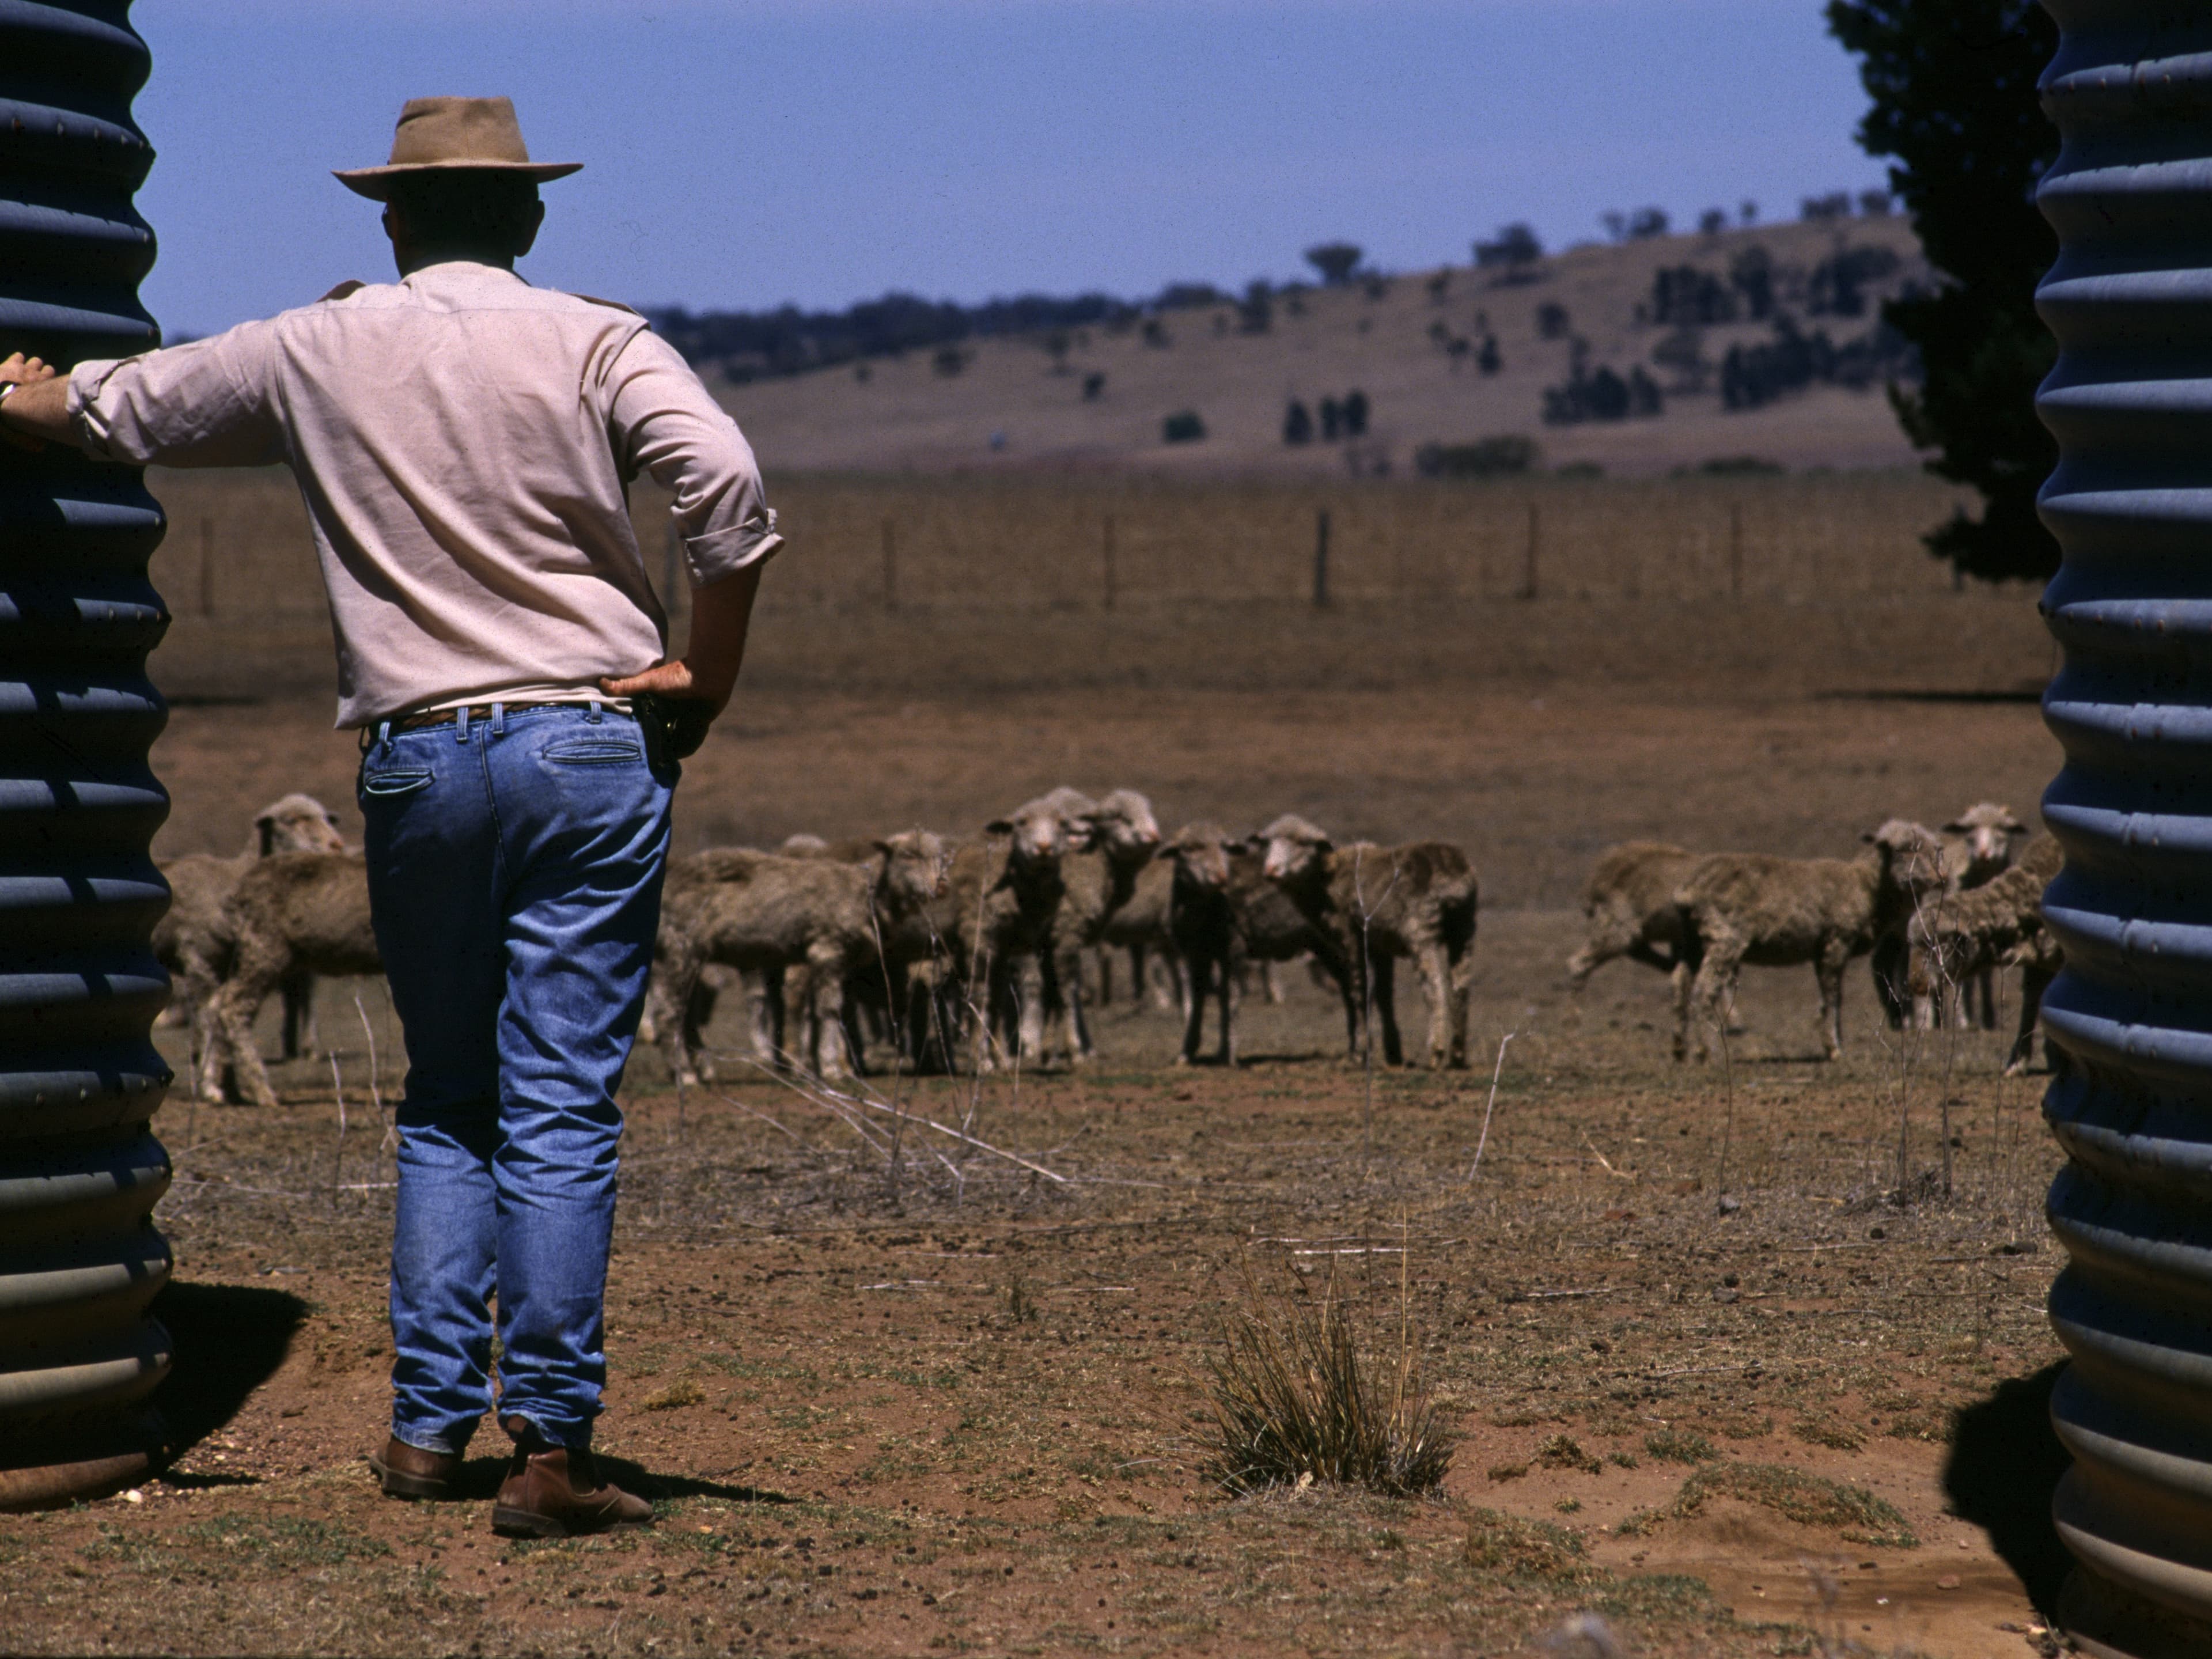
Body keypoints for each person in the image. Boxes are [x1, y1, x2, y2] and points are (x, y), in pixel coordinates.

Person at [0, 96, 783, 1537]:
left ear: (394, 219)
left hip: (421, 760)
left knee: (447, 1100)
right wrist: (706, 670)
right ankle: (552, 1448)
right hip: (592, 742)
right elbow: (723, 484)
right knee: (559, 1103)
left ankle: (426, 1433)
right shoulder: (603, 339)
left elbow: (113, 410)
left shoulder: (314, 348)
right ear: (533, 217)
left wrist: (29, 393)